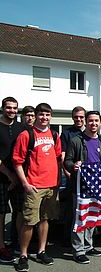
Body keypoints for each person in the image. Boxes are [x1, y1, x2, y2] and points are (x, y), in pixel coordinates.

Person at [13, 103, 62, 271]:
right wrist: (25, 183)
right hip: (34, 186)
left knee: (44, 219)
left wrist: (58, 180)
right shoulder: (26, 135)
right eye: (41, 114)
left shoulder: (54, 135)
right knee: (28, 221)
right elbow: (17, 162)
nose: (44, 118)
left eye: (47, 115)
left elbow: (57, 159)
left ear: (50, 116)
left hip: (51, 186)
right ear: (36, 115)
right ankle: (23, 255)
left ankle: (42, 251)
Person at [64, 111, 101, 264]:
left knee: (92, 218)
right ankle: (78, 250)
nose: (93, 124)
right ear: (86, 122)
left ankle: (89, 246)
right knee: (79, 219)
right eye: (90, 121)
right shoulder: (76, 140)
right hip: (80, 187)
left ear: (100, 123)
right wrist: (74, 165)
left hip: (96, 186)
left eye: (96, 121)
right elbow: (67, 161)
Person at [0, 97, 25, 263]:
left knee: (20, 212)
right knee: (1, 214)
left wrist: (19, 178)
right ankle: (1, 246)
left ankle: (18, 243)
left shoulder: (21, 128)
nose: (12, 111)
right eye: (9, 108)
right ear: (2, 108)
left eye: (15, 108)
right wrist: (10, 176)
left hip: (18, 178)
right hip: (1, 178)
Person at [60, 106, 86, 246]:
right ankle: (67, 238)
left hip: (87, 179)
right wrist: (67, 172)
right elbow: (63, 156)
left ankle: (86, 240)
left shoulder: (89, 132)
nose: (79, 119)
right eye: (76, 117)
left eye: (81, 117)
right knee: (72, 210)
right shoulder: (66, 133)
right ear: (72, 117)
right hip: (73, 177)